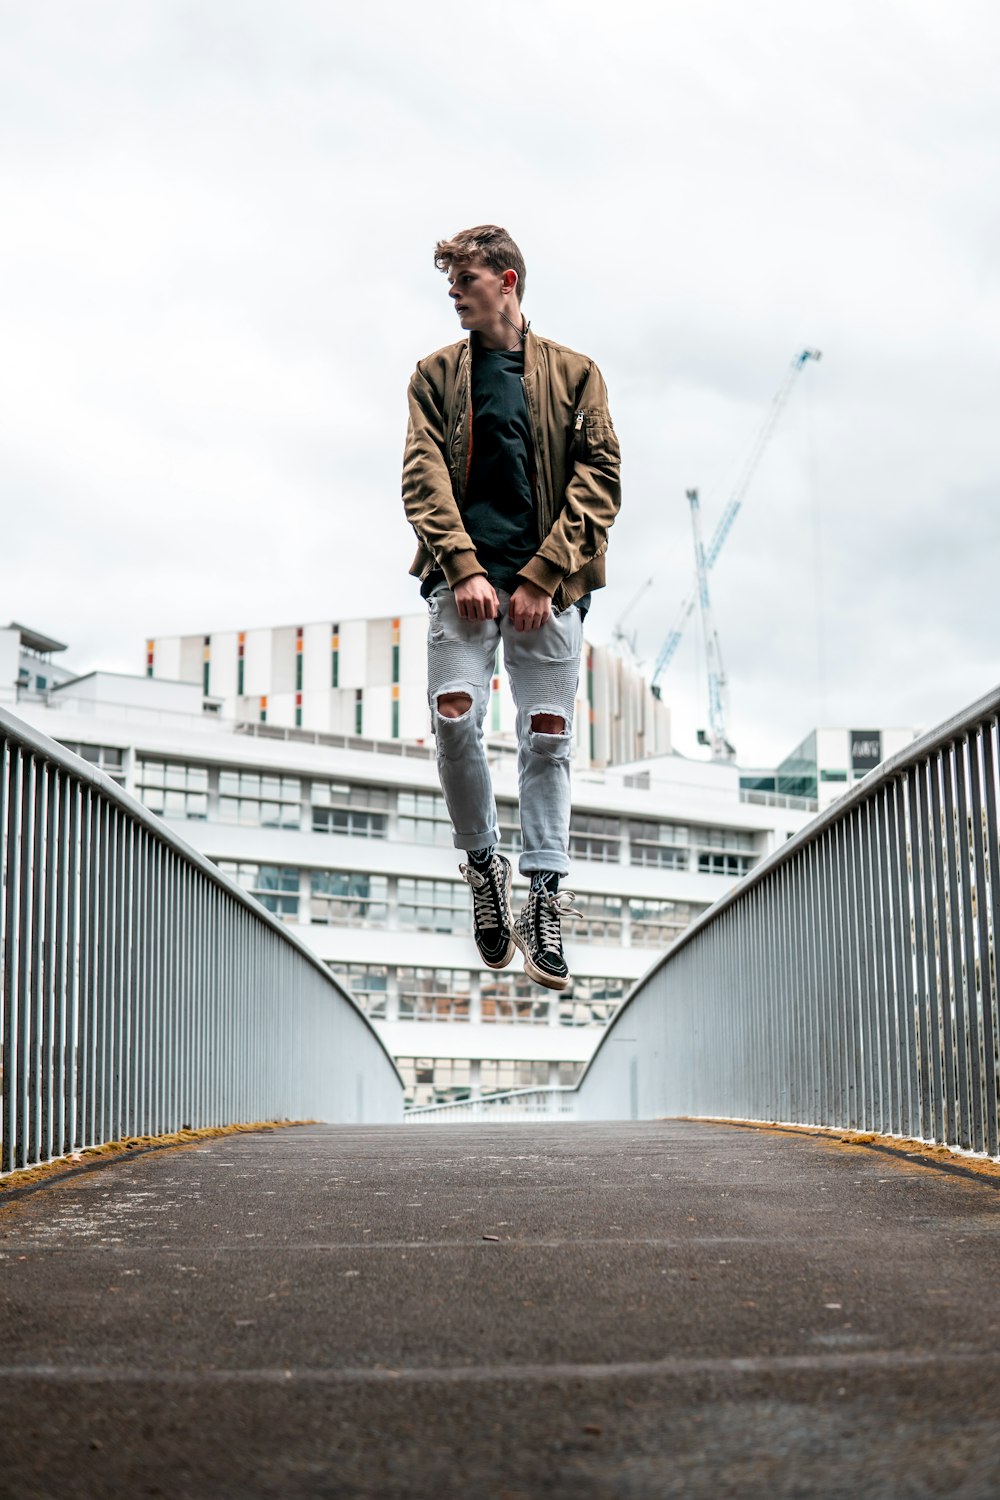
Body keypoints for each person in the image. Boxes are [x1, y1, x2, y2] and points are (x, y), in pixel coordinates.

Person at [401, 224, 620, 990]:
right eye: (451, 282)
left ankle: (545, 897)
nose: (455, 292)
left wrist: (543, 575)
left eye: (466, 279)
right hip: (462, 582)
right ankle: (484, 868)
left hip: (548, 587)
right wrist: (464, 566)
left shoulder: (576, 373)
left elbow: (601, 479)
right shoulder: (434, 376)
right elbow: (421, 478)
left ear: (507, 281)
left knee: (548, 737)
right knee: (455, 714)